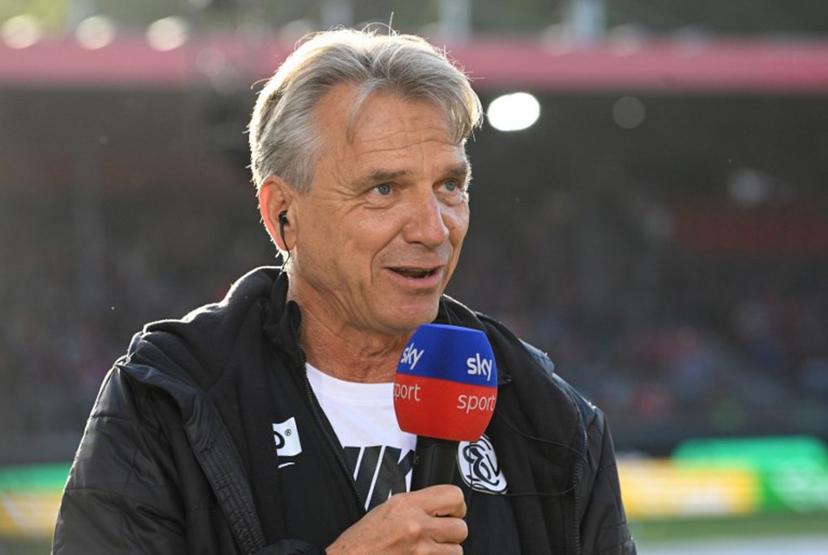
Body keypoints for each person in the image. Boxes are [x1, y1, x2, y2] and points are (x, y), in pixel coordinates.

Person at [52, 28, 636, 555]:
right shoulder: (167, 400)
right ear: (283, 213)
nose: (433, 229)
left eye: (450, 185)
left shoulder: (550, 415)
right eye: (383, 189)